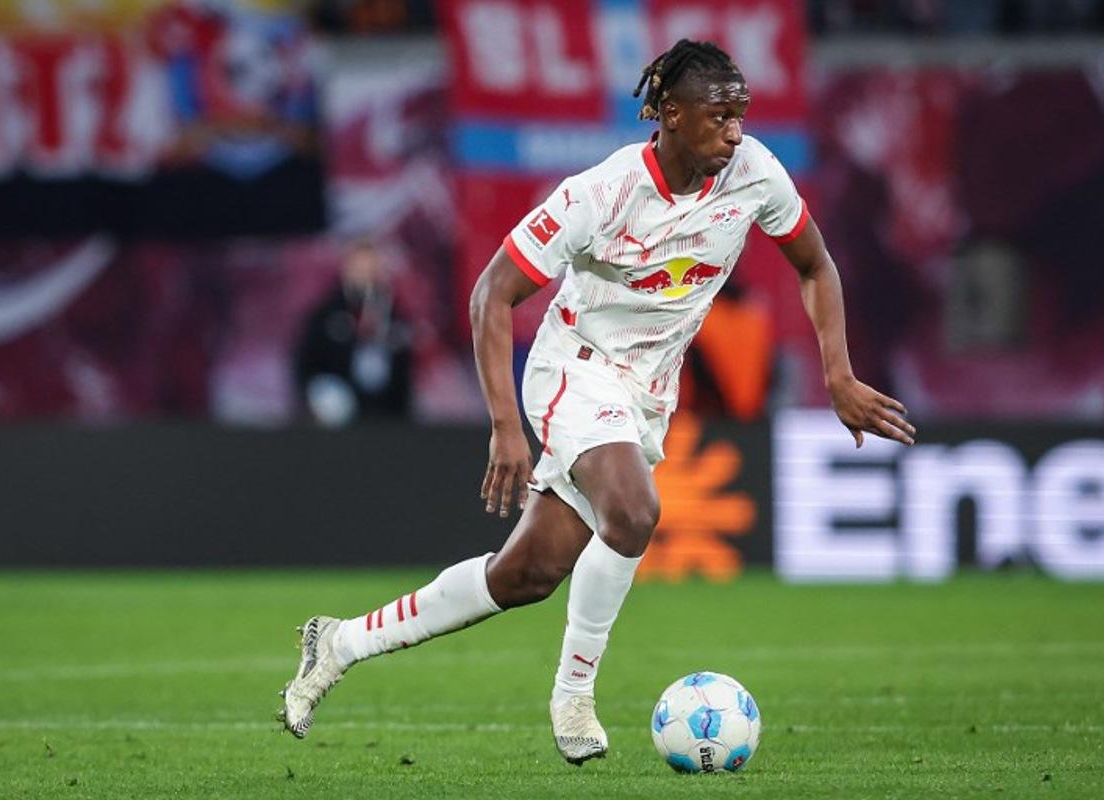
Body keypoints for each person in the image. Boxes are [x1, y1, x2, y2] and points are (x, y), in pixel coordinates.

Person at [278, 39, 915, 763]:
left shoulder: (755, 174)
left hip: (646, 393)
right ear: (671, 114)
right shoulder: (601, 193)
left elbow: (815, 263)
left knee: (524, 576)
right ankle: (574, 696)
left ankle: (339, 641)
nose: (735, 131)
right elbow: (493, 294)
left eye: (741, 115)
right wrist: (504, 427)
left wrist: (837, 374)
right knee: (636, 510)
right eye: (720, 115)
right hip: (573, 369)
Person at [292, 239, 413, 425]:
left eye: (371, 270)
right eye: (360, 269)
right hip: (340, 407)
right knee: (333, 404)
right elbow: (307, 362)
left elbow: (403, 366)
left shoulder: (393, 312)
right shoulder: (328, 312)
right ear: (347, 270)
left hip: (384, 410)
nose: (366, 276)